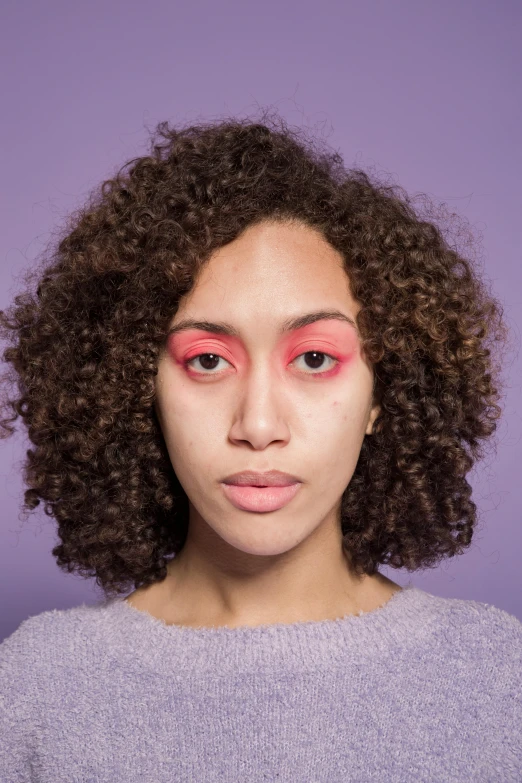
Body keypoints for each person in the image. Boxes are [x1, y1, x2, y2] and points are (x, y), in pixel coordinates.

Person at [0, 112, 520, 782]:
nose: (259, 421)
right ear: (138, 387)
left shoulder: (497, 680)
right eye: (209, 361)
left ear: (382, 394)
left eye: (312, 357)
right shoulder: (37, 690)